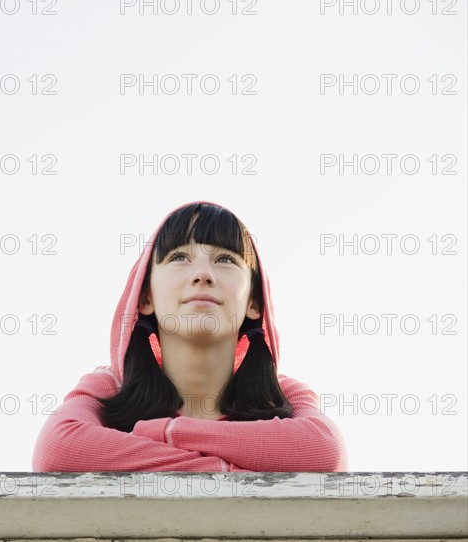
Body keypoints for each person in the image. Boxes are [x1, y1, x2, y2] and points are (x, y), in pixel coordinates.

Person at [32, 200, 348, 472]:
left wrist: (170, 433)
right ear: (145, 298)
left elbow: (325, 452)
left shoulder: (282, 395)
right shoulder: (111, 386)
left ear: (253, 303)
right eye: (179, 257)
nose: (203, 274)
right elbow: (58, 449)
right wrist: (225, 473)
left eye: (225, 259)